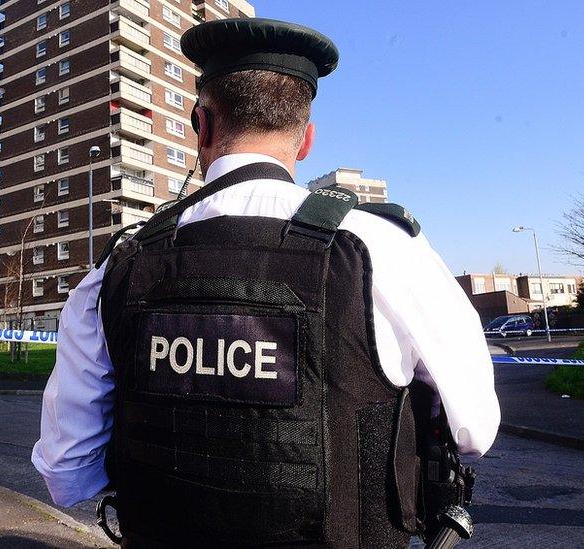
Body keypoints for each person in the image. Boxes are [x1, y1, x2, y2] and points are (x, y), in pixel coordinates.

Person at [32, 17, 499, 547]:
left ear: (200, 125)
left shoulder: (116, 270)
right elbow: (475, 431)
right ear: (306, 142)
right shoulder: (385, 250)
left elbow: (67, 475)